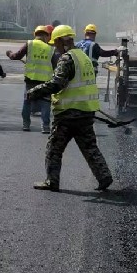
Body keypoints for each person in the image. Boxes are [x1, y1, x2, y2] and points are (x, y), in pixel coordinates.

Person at [27, 24, 113, 193]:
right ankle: (104, 176)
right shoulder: (83, 57)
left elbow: (57, 83)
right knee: (89, 147)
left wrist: (34, 92)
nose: (55, 47)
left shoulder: (67, 59)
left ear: (60, 41)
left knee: (54, 149)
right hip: (86, 111)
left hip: (68, 113)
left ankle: (52, 181)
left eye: (56, 44)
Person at [6, 25, 57, 132]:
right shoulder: (50, 49)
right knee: (45, 103)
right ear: (45, 36)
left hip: (30, 79)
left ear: (35, 34)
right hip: (45, 80)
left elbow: (16, 56)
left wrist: (9, 53)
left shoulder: (29, 44)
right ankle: (45, 126)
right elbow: (55, 65)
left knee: (27, 102)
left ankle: (26, 124)